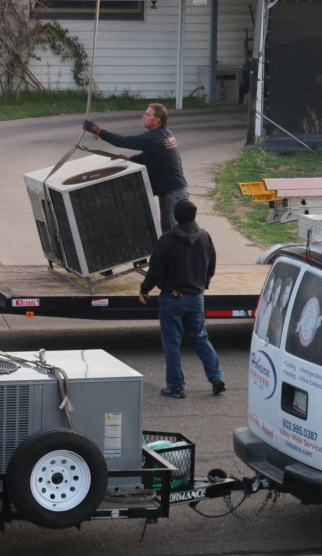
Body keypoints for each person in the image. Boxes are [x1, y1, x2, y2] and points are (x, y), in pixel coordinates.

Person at [138, 199, 225, 398]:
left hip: (173, 298)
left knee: (172, 342)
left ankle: (176, 386)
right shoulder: (205, 237)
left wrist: (145, 288)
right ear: (194, 216)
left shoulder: (167, 240)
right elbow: (211, 265)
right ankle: (216, 377)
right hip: (196, 297)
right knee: (200, 338)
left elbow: (156, 270)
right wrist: (204, 284)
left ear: (176, 217)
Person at [83, 103, 189, 232]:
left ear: (157, 121)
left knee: (174, 234)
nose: (143, 116)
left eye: (148, 115)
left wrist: (99, 132)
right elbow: (149, 155)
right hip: (174, 191)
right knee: (170, 231)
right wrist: (130, 160)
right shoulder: (165, 134)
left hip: (173, 194)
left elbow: (124, 141)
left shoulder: (153, 137)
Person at [266, 276, 293, 346]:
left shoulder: (282, 312)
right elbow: (271, 338)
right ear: (282, 293)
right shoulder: (275, 311)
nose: (286, 298)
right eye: (286, 294)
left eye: (288, 295)